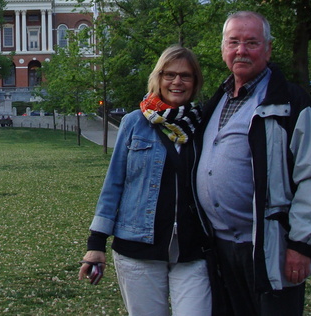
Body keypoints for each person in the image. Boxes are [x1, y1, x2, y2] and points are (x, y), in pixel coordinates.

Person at [195, 11, 311, 315]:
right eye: (233, 42)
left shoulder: (290, 102)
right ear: (223, 49)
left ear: (268, 49)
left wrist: (302, 245)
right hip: (221, 249)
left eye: (251, 43)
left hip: (271, 246)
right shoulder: (217, 100)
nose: (241, 50)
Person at [79, 45, 212, 315]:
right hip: (137, 246)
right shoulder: (134, 122)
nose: (177, 82)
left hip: (192, 249)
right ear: (158, 78)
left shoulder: (204, 126)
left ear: (195, 82)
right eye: (169, 74)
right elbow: (114, 184)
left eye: (185, 76)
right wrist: (96, 244)